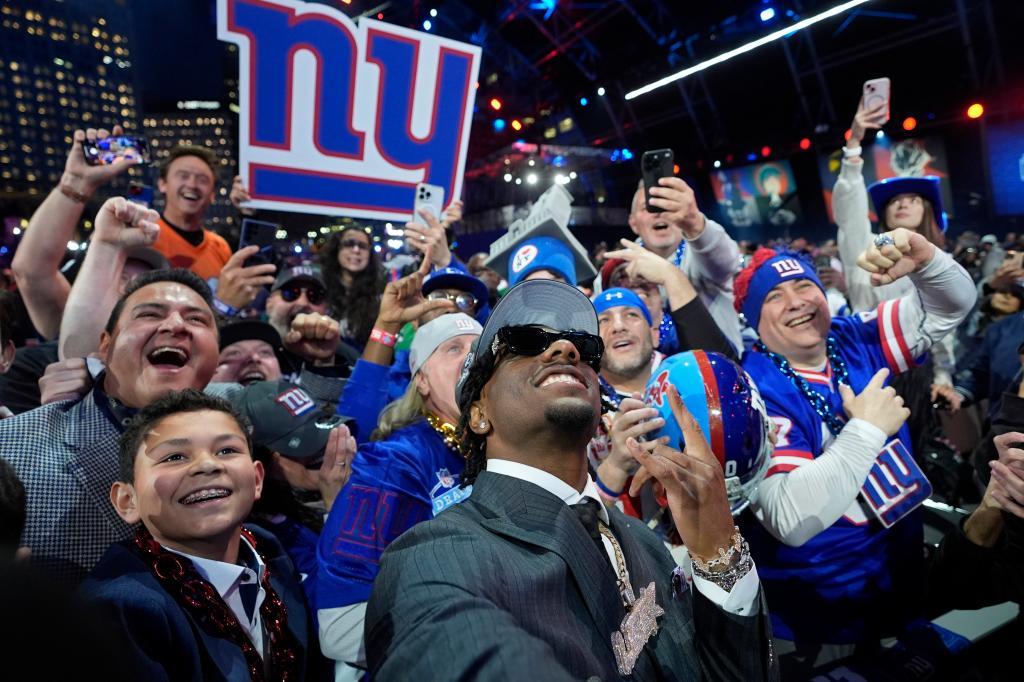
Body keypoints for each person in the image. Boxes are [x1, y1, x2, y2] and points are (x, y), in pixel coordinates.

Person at [365, 279, 775, 680]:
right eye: (524, 342)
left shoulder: (647, 543)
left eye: (586, 349)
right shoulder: (432, 556)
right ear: (478, 413)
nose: (566, 348)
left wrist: (720, 553)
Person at [734, 229, 974, 674]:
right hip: (817, 619)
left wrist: (926, 260)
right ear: (753, 317)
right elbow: (790, 518)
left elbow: (954, 303)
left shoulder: (852, 336)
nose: (797, 301)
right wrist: (865, 429)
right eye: (775, 295)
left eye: (805, 285)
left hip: (899, 586)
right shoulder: (749, 388)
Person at [0, 247, 220, 582]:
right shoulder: (12, 448)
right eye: (150, 314)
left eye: (196, 319)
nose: (176, 325)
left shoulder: (248, 434)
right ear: (105, 345)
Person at [81, 390, 324, 680]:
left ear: (257, 480)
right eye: (174, 456)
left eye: (226, 450)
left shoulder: (270, 551)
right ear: (128, 501)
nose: (208, 465)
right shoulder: (120, 611)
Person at [317, 312, 483, 677]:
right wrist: (485, 645)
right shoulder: (390, 465)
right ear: (421, 380)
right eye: (454, 349)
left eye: (481, 348)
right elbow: (342, 625)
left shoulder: (508, 451)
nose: (472, 357)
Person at [833, 92, 957, 406]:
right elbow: (848, 210)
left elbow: (944, 326)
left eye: (913, 199)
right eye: (895, 201)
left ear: (927, 210)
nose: (903, 203)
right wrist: (854, 143)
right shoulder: (866, 249)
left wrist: (943, 377)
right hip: (866, 365)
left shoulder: (941, 263)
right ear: (884, 213)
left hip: (918, 373)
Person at [587, 285, 734, 503]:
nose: (618, 326)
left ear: (655, 334)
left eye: (631, 315)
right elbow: (578, 522)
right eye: (604, 320)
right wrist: (616, 466)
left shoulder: (697, 378)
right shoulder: (581, 401)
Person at [11, 124, 142, 339]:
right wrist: (76, 182)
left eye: (142, 281)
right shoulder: (78, 328)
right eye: (120, 276)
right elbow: (32, 272)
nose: (129, 287)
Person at [623, 177, 743, 353]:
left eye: (666, 205)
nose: (658, 213)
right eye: (647, 207)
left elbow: (724, 261)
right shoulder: (617, 271)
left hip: (721, 373)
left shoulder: (702, 255)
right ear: (633, 223)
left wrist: (694, 222)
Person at [149, 145, 233, 280]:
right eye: (183, 176)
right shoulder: (144, 237)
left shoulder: (220, 248)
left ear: (212, 194)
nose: (192, 185)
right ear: (163, 184)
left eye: (202, 180)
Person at [316, 227, 388, 351]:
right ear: (337, 249)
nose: (356, 250)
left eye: (363, 246)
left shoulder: (380, 294)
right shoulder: (318, 286)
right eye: (349, 244)